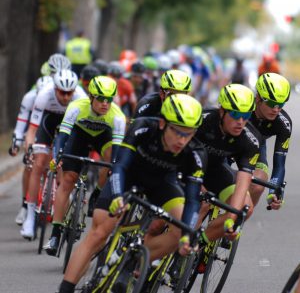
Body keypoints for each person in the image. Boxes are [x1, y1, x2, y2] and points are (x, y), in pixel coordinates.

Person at [57, 94, 207, 293]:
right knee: (99, 233)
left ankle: (133, 261)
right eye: (177, 132)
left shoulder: (196, 152)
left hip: (162, 185)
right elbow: (120, 166)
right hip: (128, 176)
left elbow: (193, 200)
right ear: (163, 123)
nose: (182, 140)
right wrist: (118, 196)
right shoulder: (144, 127)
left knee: (182, 231)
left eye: (188, 134)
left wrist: (188, 235)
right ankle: (66, 288)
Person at [44, 76, 126, 255]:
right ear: (91, 97)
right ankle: (55, 234)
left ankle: (96, 193)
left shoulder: (117, 116)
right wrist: (57, 156)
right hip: (79, 136)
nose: (105, 104)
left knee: (111, 158)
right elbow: (62, 137)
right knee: (68, 180)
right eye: (101, 99)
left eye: (109, 100)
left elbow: (118, 150)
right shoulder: (76, 107)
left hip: (103, 137)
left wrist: (114, 166)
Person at [20, 70, 86, 239]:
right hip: (48, 123)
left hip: (70, 125)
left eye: (69, 93)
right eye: (62, 92)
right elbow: (32, 129)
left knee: (64, 163)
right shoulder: (44, 95)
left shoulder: (80, 97)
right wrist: (29, 146)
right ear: (55, 88)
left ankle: (64, 193)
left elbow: (82, 133)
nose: (65, 97)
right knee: (38, 163)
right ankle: (29, 216)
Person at [195, 84, 261, 244]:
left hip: (215, 171)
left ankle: (198, 243)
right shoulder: (201, 120)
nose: (240, 121)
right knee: (200, 203)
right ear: (222, 111)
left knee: (244, 208)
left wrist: (232, 220)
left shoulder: (251, 140)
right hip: (187, 167)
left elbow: (243, 182)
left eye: (245, 115)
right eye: (235, 114)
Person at [9, 75, 53, 225]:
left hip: (51, 128)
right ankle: (24, 205)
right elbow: (21, 124)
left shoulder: (56, 99)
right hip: (34, 129)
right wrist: (16, 143)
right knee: (30, 165)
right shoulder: (30, 97)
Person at [249, 73, 291, 209]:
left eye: (281, 104)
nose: (276, 110)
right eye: (271, 103)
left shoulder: (283, 124)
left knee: (258, 183)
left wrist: (273, 191)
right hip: (228, 144)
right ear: (258, 98)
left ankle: (237, 223)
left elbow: (279, 165)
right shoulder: (243, 109)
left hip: (256, 146)